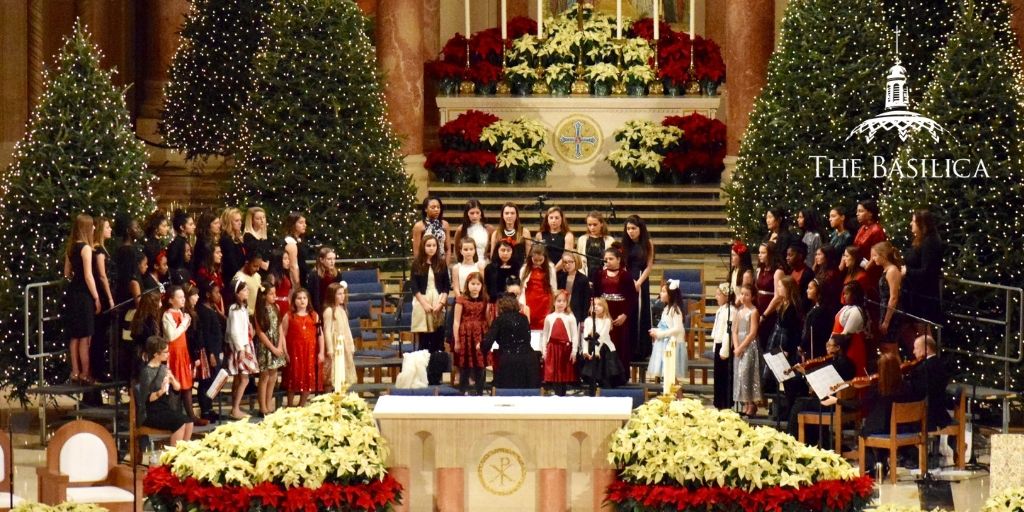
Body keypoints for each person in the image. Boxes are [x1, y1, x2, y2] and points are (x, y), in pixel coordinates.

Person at [785, 334, 856, 442]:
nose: (827, 348)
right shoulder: (849, 363)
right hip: (841, 402)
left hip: (831, 403)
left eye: (829, 345)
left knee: (799, 404)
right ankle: (815, 441)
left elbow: (821, 386)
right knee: (806, 402)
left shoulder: (836, 364)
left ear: (838, 348)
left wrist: (805, 373)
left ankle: (793, 441)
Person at [137, 336, 193, 445]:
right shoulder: (146, 372)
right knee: (179, 423)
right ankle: (173, 456)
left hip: (164, 408)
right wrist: (161, 391)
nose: (168, 354)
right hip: (151, 413)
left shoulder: (164, 368)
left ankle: (183, 453)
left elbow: (177, 388)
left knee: (189, 422)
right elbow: (147, 399)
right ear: (156, 354)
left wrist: (172, 380)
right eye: (165, 352)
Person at [64, 213, 100, 384]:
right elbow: (88, 275)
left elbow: (66, 273)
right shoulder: (86, 248)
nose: (94, 228)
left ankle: (75, 372)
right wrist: (96, 296)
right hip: (84, 295)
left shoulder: (70, 247)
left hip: (72, 293)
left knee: (75, 336)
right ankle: (86, 373)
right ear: (86, 228)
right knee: (85, 335)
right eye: (92, 225)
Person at [591, 244, 637, 373]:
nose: (608, 261)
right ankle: (603, 373)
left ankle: (620, 374)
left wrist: (625, 315)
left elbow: (632, 298)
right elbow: (595, 295)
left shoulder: (626, 276)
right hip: (604, 312)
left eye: (611, 258)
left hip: (620, 313)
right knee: (603, 340)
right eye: (606, 259)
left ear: (619, 260)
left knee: (620, 343)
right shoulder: (599, 274)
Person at [482, 293, 540, 388]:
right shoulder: (524, 318)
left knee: (508, 394)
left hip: (509, 362)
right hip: (529, 361)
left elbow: (487, 343)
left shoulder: (499, 320)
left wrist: (480, 345)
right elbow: (527, 338)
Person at [901, 209, 944, 333]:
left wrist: (907, 271)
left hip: (923, 298)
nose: (911, 224)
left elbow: (928, 272)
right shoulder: (922, 240)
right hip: (914, 295)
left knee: (924, 335)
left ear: (922, 224)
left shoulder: (931, 242)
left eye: (913, 221)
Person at [161, 286, 197, 424]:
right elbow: (171, 336)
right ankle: (174, 417)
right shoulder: (167, 315)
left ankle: (190, 415)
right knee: (175, 384)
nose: (183, 299)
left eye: (184, 297)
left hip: (183, 352)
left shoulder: (181, 314)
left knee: (186, 384)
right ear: (171, 300)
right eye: (180, 297)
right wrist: (183, 324)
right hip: (173, 353)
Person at [411, 235, 451, 353]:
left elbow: (446, 286)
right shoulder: (417, 264)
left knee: (437, 339)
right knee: (424, 340)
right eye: (428, 245)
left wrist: (441, 304)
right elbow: (414, 286)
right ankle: (423, 369)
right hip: (423, 301)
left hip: (438, 300)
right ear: (423, 246)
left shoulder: (441, 263)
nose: (431, 248)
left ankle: (436, 368)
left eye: (434, 245)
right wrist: (424, 304)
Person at [281, 288, 321, 407]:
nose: (302, 301)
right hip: (294, 352)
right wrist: (285, 352)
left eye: (304, 298)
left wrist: (321, 352)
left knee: (308, 378)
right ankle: (289, 404)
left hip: (309, 352)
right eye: (299, 298)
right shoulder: (289, 316)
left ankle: (301, 405)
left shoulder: (314, 315)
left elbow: (320, 334)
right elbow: (282, 334)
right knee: (292, 378)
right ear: (294, 301)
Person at [622, 215, 654, 361]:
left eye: (633, 228)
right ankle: (628, 348)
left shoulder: (647, 244)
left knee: (640, 312)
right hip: (628, 279)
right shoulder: (624, 245)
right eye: (628, 228)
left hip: (640, 280)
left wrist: (639, 282)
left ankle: (640, 349)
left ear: (640, 229)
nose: (630, 231)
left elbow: (649, 266)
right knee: (629, 312)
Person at [225, 279, 259, 419]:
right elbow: (233, 331)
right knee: (243, 378)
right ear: (237, 293)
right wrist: (240, 349)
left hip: (245, 344)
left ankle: (235, 407)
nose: (247, 292)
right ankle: (235, 408)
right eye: (244, 290)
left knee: (240, 379)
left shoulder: (242, 308)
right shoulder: (234, 309)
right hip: (241, 347)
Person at [905, 334, 952, 430]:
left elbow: (916, 393)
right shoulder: (940, 364)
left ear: (926, 349)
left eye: (916, 348)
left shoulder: (923, 368)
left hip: (928, 417)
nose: (914, 352)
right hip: (940, 413)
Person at [453, 272, 489, 395]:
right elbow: (456, 321)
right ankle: (462, 391)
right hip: (465, 335)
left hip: (480, 334)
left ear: (482, 286)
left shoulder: (485, 299)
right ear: (467, 284)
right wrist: (457, 340)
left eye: (478, 284)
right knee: (465, 365)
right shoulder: (461, 299)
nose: (475, 287)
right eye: (472, 284)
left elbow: (487, 319)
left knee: (480, 364)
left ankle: (479, 391)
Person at [254, 280, 287, 416]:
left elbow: (279, 327)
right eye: (271, 294)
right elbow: (260, 333)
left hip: (276, 345)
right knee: (265, 376)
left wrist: (279, 346)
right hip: (266, 347)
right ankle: (262, 407)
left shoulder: (276, 308)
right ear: (263, 296)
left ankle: (269, 404)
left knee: (273, 376)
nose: (275, 296)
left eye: (275, 293)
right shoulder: (258, 311)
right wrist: (273, 348)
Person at [579, 297, 625, 391]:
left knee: (604, 376)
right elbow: (585, 337)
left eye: (599, 305)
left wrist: (596, 351)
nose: (596, 307)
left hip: (604, 350)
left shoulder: (607, 321)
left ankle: (606, 392)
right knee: (592, 375)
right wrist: (585, 351)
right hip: (591, 350)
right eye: (594, 305)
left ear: (604, 307)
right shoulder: (588, 320)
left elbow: (602, 337)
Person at [647, 279, 686, 385]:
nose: (661, 293)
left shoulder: (675, 310)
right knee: (668, 374)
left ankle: (679, 398)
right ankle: (672, 397)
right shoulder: (666, 309)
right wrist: (656, 330)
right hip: (665, 343)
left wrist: (660, 334)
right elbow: (665, 326)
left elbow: (677, 329)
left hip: (672, 344)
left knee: (671, 374)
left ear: (671, 295)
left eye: (664, 291)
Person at [195, 280, 225, 422]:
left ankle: (210, 407)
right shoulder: (203, 311)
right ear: (207, 294)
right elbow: (206, 335)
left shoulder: (212, 308)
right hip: (209, 352)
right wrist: (211, 354)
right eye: (216, 293)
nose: (219, 295)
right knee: (206, 381)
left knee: (214, 381)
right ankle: (205, 410)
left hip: (217, 349)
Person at [90, 216, 115, 382]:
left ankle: (98, 369)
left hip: (103, 294)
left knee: (100, 335)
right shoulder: (98, 251)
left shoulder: (101, 249)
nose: (110, 230)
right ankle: (97, 370)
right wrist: (110, 298)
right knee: (98, 335)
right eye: (107, 227)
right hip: (102, 295)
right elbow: (102, 275)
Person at [732, 284, 761, 417]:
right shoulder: (739, 311)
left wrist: (742, 347)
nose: (743, 297)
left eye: (747, 294)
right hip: (739, 347)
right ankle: (745, 402)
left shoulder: (754, 312)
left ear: (753, 296)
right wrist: (737, 347)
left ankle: (751, 403)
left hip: (749, 346)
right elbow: (735, 330)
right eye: (742, 294)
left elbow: (752, 333)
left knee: (746, 373)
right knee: (739, 374)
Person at [542, 291, 579, 396]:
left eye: (564, 301)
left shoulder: (570, 317)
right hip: (553, 348)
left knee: (564, 374)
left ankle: (562, 394)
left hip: (565, 349)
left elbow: (574, 335)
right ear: (554, 302)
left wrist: (574, 351)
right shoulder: (549, 317)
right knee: (554, 373)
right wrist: (544, 350)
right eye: (558, 301)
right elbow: (545, 334)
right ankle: (557, 394)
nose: (561, 303)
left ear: (567, 303)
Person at [873, 241, 906, 353]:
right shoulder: (887, 270)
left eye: (875, 255)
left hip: (892, 314)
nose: (873, 259)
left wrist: (886, 321)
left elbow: (894, 297)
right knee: (885, 347)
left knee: (889, 347)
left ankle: (896, 370)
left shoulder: (892, 271)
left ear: (883, 255)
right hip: (885, 310)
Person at [322, 282, 356, 390]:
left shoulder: (342, 309)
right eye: (339, 294)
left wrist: (351, 344)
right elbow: (327, 330)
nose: (343, 296)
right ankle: (329, 398)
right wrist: (330, 349)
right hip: (335, 344)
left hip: (344, 343)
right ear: (333, 296)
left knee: (343, 372)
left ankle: (341, 395)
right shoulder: (329, 311)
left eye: (343, 293)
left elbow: (347, 328)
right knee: (332, 373)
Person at [834, 282, 870, 377]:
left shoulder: (856, 311)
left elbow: (845, 334)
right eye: (843, 293)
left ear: (855, 295)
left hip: (851, 349)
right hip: (840, 348)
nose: (844, 296)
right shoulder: (845, 308)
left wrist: (833, 344)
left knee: (852, 377)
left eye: (847, 293)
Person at [755, 242, 785, 355]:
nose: (759, 255)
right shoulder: (760, 270)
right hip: (759, 308)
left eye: (763, 252)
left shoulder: (777, 271)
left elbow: (778, 296)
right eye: (759, 252)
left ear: (770, 254)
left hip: (770, 312)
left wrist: (764, 315)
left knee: (768, 344)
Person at [710, 283, 736, 410]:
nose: (716, 297)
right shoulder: (720, 310)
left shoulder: (731, 311)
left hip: (725, 347)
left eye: (719, 294)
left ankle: (725, 404)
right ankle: (718, 403)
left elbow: (728, 331)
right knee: (718, 377)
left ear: (727, 296)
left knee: (725, 377)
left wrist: (725, 350)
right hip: (719, 344)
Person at [520, 244, 557, 330]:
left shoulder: (550, 268)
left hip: (545, 300)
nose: (538, 262)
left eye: (540, 260)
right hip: (530, 300)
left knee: (543, 323)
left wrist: (553, 303)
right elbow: (522, 287)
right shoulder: (525, 268)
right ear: (530, 257)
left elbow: (553, 287)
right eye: (535, 260)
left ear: (545, 257)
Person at [850, 199, 887, 285]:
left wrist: (866, 268)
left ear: (870, 213)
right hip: (859, 267)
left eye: (860, 211)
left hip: (871, 271)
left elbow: (877, 253)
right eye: (857, 211)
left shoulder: (876, 230)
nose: (857, 214)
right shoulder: (862, 228)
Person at [488, 202, 531, 270]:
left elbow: (529, 256)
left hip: (519, 269)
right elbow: (493, 257)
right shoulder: (496, 234)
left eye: (512, 213)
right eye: (507, 213)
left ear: (517, 215)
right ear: (502, 215)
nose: (509, 216)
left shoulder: (524, 232)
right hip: (501, 270)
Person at [130, 292, 163, 379]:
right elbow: (148, 338)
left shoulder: (140, 318)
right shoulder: (148, 320)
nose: (161, 304)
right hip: (145, 353)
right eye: (159, 302)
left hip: (142, 351)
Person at [452, 199, 494, 265]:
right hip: (467, 264)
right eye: (472, 213)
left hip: (484, 263)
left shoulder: (489, 229)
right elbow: (456, 251)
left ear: (481, 213)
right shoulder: (461, 229)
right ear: (467, 214)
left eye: (477, 213)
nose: (475, 216)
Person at [484, 240, 518, 320]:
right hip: (494, 304)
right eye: (503, 250)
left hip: (511, 304)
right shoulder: (490, 268)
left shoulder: (516, 267)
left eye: (508, 250)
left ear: (512, 252)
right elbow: (487, 287)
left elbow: (517, 286)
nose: (505, 253)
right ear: (497, 251)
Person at [219, 208, 246, 304]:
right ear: (229, 222)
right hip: (231, 280)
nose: (240, 223)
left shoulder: (238, 239)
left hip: (241, 277)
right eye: (236, 221)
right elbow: (231, 263)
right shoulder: (226, 240)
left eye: (240, 220)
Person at [576, 211, 615, 277]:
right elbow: (579, 260)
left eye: (595, 224)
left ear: (601, 224)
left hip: (605, 275)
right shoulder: (582, 239)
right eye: (589, 225)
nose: (592, 228)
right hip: (586, 275)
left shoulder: (610, 240)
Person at [802, 279, 834, 361]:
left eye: (810, 288)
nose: (807, 290)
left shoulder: (820, 311)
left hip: (815, 350)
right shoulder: (816, 307)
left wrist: (802, 346)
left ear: (819, 291)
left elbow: (812, 333)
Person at [412, 195, 450, 260]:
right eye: (433, 207)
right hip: (425, 262)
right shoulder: (419, 226)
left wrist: (446, 265)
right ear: (425, 209)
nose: (436, 210)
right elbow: (416, 251)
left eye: (438, 207)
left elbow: (448, 249)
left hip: (441, 263)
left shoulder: (445, 224)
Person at [556, 253, 590, 324]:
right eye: (565, 262)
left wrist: (583, 319)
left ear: (576, 261)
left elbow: (586, 301)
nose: (567, 265)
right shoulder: (561, 277)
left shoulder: (583, 279)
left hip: (576, 311)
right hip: (562, 309)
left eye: (570, 262)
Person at [306, 246, 340, 314]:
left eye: (334, 259)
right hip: (319, 308)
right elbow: (312, 296)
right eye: (329, 259)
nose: (332, 261)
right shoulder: (314, 275)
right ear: (321, 260)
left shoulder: (337, 274)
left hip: (333, 307)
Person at [282, 212, 310, 290]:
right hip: (296, 281)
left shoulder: (298, 240)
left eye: (305, 222)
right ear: (293, 224)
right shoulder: (290, 242)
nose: (304, 225)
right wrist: (297, 286)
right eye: (301, 223)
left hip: (302, 277)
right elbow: (293, 266)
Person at [813, 245, 843, 317]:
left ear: (828, 256)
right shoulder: (821, 269)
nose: (816, 257)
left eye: (819, 254)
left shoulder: (832, 274)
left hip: (828, 309)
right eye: (816, 254)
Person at [232, 250, 265, 316]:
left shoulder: (257, 276)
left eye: (259, 266)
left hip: (256, 315)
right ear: (247, 263)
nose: (258, 269)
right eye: (255, 266)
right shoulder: (238, 278)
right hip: (243, 315)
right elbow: (236, 301)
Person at [166, 209, 195, 281]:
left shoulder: (184, 241)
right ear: (182, 227)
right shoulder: (177, 244)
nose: (194, 227)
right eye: (191, 224)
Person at [191, 211, 221, 277]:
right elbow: (205, 266)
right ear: (207, 225)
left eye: (219, 223)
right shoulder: (204, 242)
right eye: (215, 223)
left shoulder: (211, 240)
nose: (219, 226)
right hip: (205, 277)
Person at [786, 241, 814, 312]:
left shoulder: (808, 273)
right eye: (787, 255)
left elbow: (806, 299)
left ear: (800, 256)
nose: (787, 258)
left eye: (790, 255)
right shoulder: (790, 271)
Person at [267, 249, 293, 315]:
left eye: (288, 259)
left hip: (286, 305)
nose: (288, 261)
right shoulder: (272, 276)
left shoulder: (285, 274)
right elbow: (269, 293)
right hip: (277, 305)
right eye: (285, 259)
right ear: (278, 260)